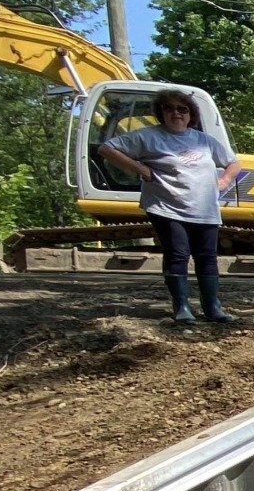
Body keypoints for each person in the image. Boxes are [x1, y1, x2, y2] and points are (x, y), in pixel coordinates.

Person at [96, 90, 241, 325]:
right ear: (161, 112)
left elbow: (233, 163)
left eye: (182, 109)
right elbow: (107, 148)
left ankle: (212, 306)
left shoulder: (203, 140)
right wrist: (140, 169)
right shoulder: (148, 137)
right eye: (169, 108)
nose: (176, 113)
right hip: (167, 206)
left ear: (190, 114)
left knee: (207, 257)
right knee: (178, 254)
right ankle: (182, 306)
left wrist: (223, 181)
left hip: (205, 209)